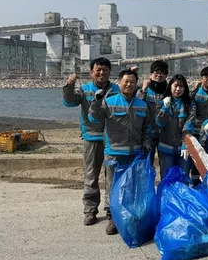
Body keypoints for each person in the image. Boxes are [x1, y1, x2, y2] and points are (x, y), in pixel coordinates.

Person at [88, 69, 150, 236]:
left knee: (131, 186)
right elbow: (94, 118)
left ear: (136, 84)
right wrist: (96, 101)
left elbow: (147, 128)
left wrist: (146, 144)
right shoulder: (109, 102)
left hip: (135, 153)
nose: (129, 84)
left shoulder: (142, 105)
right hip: (114, 153)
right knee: (113, 186)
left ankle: (129, 217)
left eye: (132, 82)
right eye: (126, 81)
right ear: (119, 82)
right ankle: (112, 218)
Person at [62, 57, 119, 226]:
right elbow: (69, 102)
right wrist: (69, 85)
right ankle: (90, 210)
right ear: (91, 72)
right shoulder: (85, 89)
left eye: (105, 70)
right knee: (91, 175)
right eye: (98, 70)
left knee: (112, 177)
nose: (101, 73)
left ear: (110, 72)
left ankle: (111, 211)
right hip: (92, 137)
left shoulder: (117, 89)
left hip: (112, 139)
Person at [154, 74, 195, 179]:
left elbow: (189, 125)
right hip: (166, 149)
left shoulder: (189, 105)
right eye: (175, 86)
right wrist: (165, 108)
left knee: (183, 178)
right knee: (167, 179)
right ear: (170, 86)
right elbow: (160, 123)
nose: (178, 89)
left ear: (185, 88)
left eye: (181, 86)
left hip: (183, 150)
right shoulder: (162, 103)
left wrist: (186, 144)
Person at [136, 60, 169, 165]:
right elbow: (136, 104)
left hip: (164, 133)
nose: (159, 75)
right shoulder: (144, 89)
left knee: (165, 163)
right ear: (151, 74)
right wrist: (143, 89)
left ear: (166, 75)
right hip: (147, 134)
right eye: (156, 72)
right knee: (146, 163)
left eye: (162, 73)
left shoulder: (169, 90)